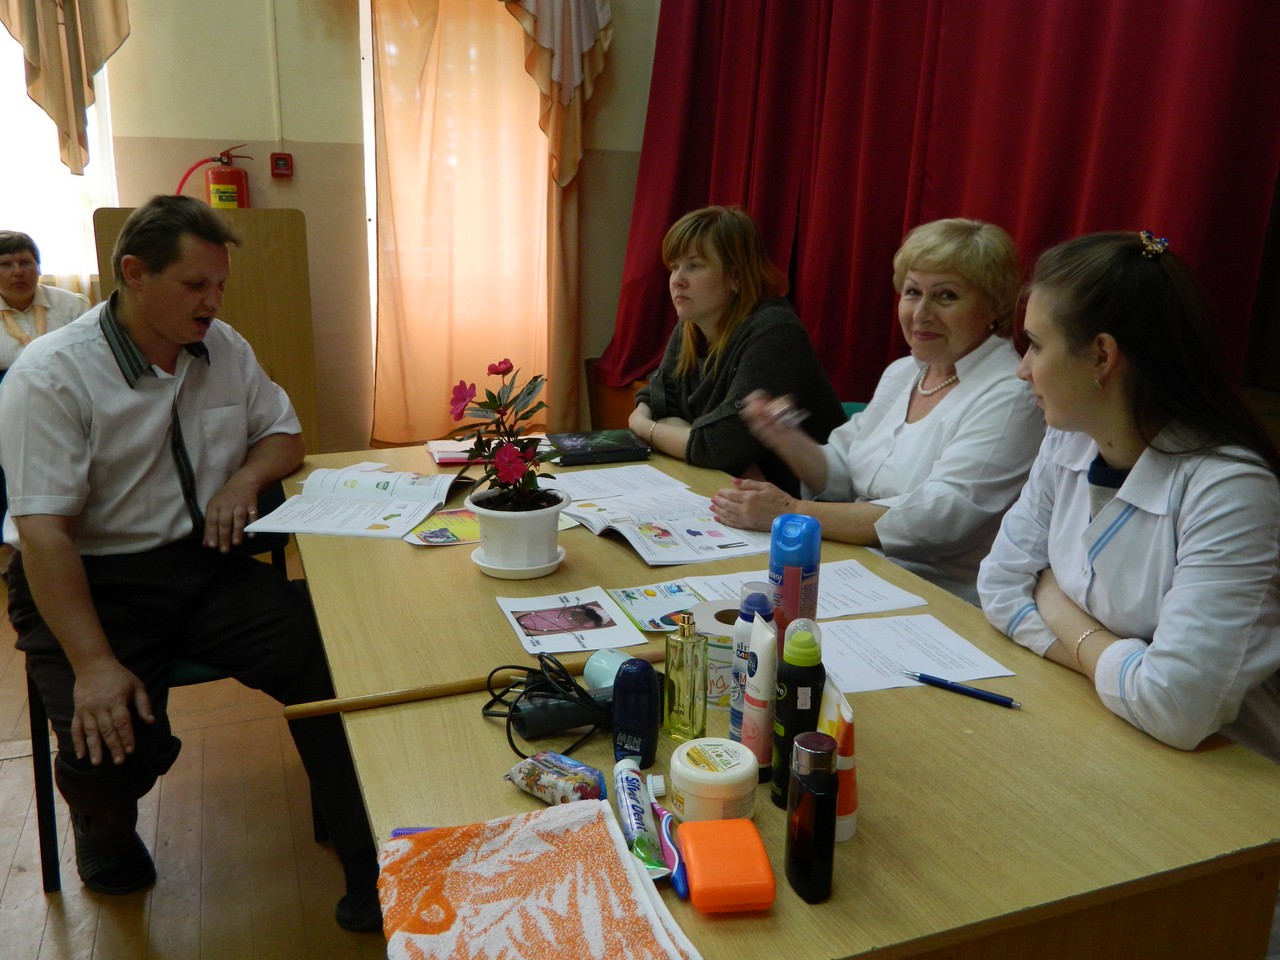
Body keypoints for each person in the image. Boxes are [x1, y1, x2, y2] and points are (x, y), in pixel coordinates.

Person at [0, 196, 382, 931]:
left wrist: (243, 480)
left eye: (220, 285)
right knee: (109, 745)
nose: (213, 302)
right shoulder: (52, 374)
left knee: (329, 657)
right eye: (195, 285)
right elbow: (44, 536)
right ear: (135, 273)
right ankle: (104, 823)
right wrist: (94, 665)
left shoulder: (223, 347)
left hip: (203, 565)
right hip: (89, 579)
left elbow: (284, 435)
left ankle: (368, 860)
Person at [978, 230, 1280, 763]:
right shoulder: (1068, 439)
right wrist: (1121, 671)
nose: (1022, 368)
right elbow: (999, 585)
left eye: (1037, 345)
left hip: (1227, 772)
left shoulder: (1230, 489)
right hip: (1104, 727)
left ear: (1101, 355)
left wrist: (1053, 599)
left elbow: (1175, 706)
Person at [710, 218, 1045, 602]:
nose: (921, 313)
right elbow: (841, 474)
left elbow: (934, 520)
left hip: (938, 598)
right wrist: (783, 436)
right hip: (858, 571)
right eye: (912, 292)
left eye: (946, 296)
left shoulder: (1011, 395)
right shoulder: (904, 372)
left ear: (994, 306)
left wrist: (791, 512)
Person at [628, 205, 846, 495]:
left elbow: (723, 446)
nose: (677, 280)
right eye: (675, 266)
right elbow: (659, 398)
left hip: (802, 504)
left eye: (694, 265)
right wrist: (674, 429)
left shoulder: (775, 332)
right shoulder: (692, 324)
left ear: (735, 276)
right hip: (732, 489)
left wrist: (643, 428)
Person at [0, 230, 90, 379]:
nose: (18, 272)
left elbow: (91, 359)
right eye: (6, 264)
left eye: (25, 263)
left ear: (39, 268)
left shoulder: (73, 306)